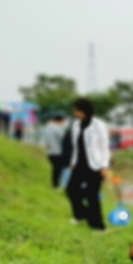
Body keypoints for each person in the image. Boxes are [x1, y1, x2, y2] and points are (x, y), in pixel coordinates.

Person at [66, 98, 110, 230]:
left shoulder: (98, 125)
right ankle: (81, 215)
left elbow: (104, 146)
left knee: (92, 195)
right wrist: (73, 162)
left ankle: (98, 226)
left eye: (76, 110)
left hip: (95, 166)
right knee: (71, 190)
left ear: (83, 110)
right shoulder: (76, 125)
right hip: (79, 165)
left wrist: (104, 166)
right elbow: (76, 146)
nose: (74, 113)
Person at [42, 114, 68, 188]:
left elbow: (45, 142)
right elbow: (63, 140)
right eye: (63, 121)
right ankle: (56, 185)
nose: (64, 123)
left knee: (56, 169)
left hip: (50, 152)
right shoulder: (57, 129)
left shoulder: (47, 128)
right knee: (58, 169)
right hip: (58, 152)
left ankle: (55, 184)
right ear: (60, 120)